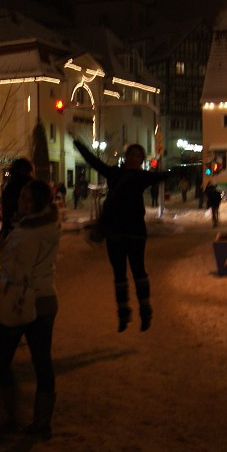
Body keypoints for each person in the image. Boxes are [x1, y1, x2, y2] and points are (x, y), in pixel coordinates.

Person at [71, 135, 167, 333]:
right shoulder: (114, 173)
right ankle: (123, 313)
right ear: (126, 156)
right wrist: (79, 143)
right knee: (119, 275)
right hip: (115, 232)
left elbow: (163, 175)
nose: (134, 158)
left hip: (135, 233)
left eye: (138, 156)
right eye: (131, 155)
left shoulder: (142, 177)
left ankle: (145, 310)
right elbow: (93, 161)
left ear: (142, 160)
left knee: (139, 271)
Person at [0, 179, 60, 440]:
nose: (21, 202)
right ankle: (42, 423)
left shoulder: (27, 233)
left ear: (40, 203)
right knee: (42, 362)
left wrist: (1, 252)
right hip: (46, 299)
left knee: (1, 360)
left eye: (27, 199)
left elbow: (16, 267)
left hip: (20, 301)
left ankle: (11, 418)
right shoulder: (50, 225)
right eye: (21, 197)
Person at [0, 158, 34, 240]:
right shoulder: (34, 186)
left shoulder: (9, 188)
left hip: (13, 231)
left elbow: (7, 214)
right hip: (31, 230)